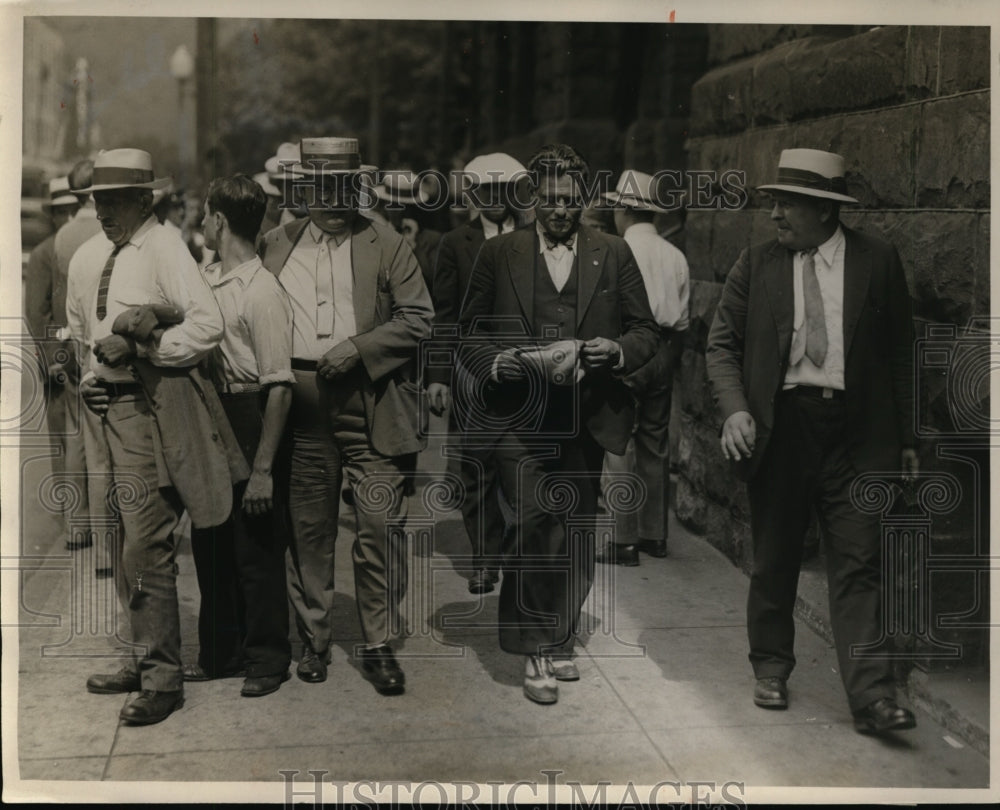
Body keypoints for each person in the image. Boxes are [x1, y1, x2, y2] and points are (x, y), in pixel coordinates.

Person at [705, 148, 918, 735]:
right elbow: (720, 346)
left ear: (825, 210)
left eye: (786, 203)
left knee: (859, 562)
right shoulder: (757, 264)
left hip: (858, 435)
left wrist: (907, 440)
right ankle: (771, 667)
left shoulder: (877, 262)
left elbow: (902, 355)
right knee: (775, 557)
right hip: (783, 427)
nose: (773, 214)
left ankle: (873, 697)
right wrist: (736, 411)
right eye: (772, 202)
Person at [459, 143, 659, 704]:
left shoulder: (614, 253)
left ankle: (562, 633)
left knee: (574, 532)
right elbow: (468, 331)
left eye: (568, 200)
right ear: (531, 198)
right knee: (529, 525)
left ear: (584, 198)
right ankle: (536, 649)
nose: (558, 210)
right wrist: (494, 363)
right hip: (518, 418)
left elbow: (647, 333)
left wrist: (613, 350)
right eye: (547, 199)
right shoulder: (501, 254)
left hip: (586, 417)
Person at [259, 137, 434, 695]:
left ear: (358, 186)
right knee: (308, 531)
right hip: (302, 406)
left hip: (372, 404)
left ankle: (377, 643)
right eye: (320, 187)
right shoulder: (275, 245)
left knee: (378, 528)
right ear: (301, 187)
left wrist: (359, 349)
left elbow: (418, 318)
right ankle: (312, 641)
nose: (333, 200)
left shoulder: (386, 243)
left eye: (343, 187)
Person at [72, 148, 235, 726]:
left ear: (145, 200)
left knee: (146, 541)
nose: (104, 212)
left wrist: (143, 347)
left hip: (152, 407)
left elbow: (208, 325)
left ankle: (162, 679)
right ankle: (140, 658)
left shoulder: (165, 246)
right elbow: (78, 333)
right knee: (116, 539)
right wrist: (90, 380)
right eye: (97, 202)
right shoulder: (91, 254)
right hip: (106, 407)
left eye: (114, 201)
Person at [184, 174, 295, 698]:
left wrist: (264, 470)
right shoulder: (205, 280)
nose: (200, 223)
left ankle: (267, 658)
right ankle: (219, 653)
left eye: (205, 215)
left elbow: (279, 387)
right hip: (212, 410)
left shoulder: (263, 292)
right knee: (210, 540)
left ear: (220, 221)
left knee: (256, 545)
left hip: (252, 414)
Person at [427, 152, 526, 595]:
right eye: (486, 190)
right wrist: (439, 376)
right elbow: (444, 314)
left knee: (523, 464)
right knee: (475, 468)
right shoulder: (455, 243)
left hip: (525, 369)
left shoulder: (532, 236)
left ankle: (519, 548)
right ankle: (485, 559)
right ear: (474, 194)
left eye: (502, 189)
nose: (495, 198)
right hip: (471, 370)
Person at [596, 170, 690, 565]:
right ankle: (655, 536)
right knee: (655, 440)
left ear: (623, 210)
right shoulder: (675, 255)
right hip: (665, 349)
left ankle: (623, 540)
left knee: (618, 441)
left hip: (628, 346)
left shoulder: (615, 249)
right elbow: (684, 318)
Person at [58, 160, 116, 577]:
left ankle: (103, 552)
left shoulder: (71, 243)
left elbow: (73, 319)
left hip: (90, 358)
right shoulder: (124, 240)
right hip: (131, 363)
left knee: (95, 460)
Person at [24, 176, 84, 548]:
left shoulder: (85, 246)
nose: (66, 217)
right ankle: (69, 521)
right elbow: (37, 314)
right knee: (63, 441)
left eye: (71, 210)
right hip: (60, 363)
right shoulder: (46, 253)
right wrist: (56, 361)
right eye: (59, 211)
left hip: (85, 358)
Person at [370, 169, 442, 291]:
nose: (401, 212)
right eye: (395, 205)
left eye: (407, 206)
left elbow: (435, 284)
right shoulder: (373, 236)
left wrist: (413, 247)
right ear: (385, 205)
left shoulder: (431, 240)